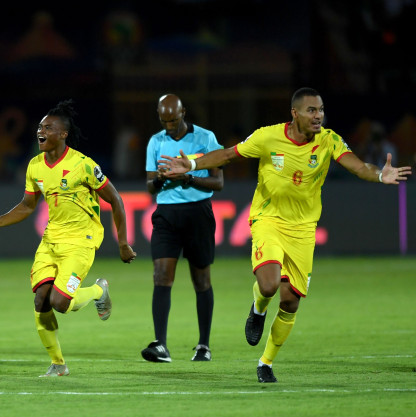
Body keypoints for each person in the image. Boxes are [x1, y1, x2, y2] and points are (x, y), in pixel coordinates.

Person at [159, 87, 412, 382]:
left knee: (291, 301)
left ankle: (265, 362)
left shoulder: (329, 141)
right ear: (295, 113)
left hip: (304, 230)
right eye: (311, 111)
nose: (318, 116)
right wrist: (191, 164)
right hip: (269, 220)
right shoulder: (268, 137)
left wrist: (380, 174)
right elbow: (228, 155)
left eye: (320, 110)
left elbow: (357, 166)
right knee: (268, 285)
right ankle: (258, 309)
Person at [0, 99, 136, 377]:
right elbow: (27, 205)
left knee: (60, 303)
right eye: (39, 127)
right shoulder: (35, 166)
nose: (41, 131)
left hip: (81, 242)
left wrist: (122, 242)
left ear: (63, 134)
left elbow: (116, 200)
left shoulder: (83, 165)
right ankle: (58, 364)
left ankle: (99, 291)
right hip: (51, 242)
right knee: (40, 300)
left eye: (48, 127)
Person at [141, 94, 224, 363]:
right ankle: (161, 345)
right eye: (164, 120)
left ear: (183, 113)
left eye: (173, 120)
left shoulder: (206, 139)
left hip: (198, 213)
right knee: (161, 274)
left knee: (201, 280)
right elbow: (150, 187)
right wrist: (162, 178)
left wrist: (187, 177)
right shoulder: (156, 141)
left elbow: (218, 183)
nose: (168, 126)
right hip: (167, 215)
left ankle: (204, 345)